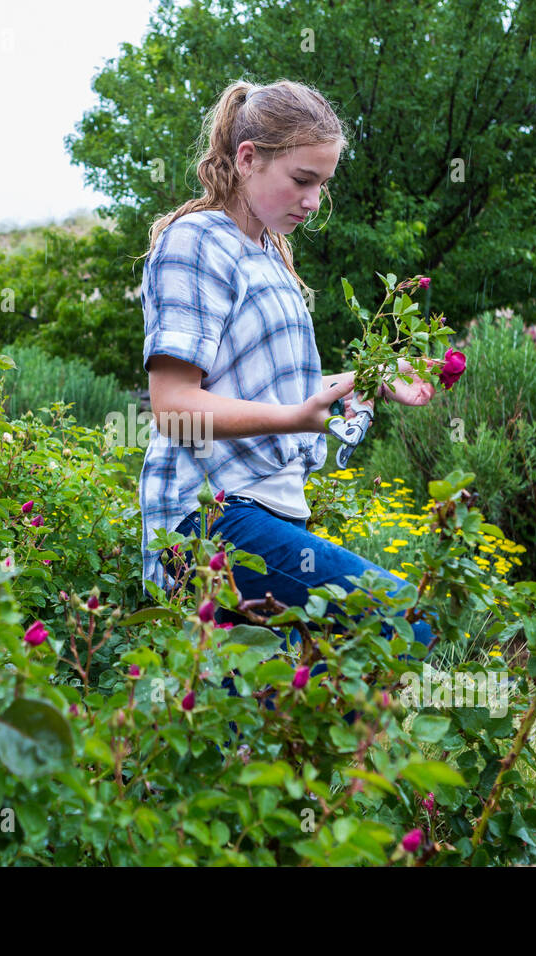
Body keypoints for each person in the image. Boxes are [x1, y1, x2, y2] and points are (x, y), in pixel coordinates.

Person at [138, 78, 445, 665]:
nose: (313, 201)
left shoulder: (271, 255)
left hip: (271, 511)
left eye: (323, 185)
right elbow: (174, 407)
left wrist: (370, 377)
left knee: (250, 729)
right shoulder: (196, 242)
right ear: (248, 159)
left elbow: (272, 394)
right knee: (405, 622)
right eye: (302, 181)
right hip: (209, 516)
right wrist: (292, 416)